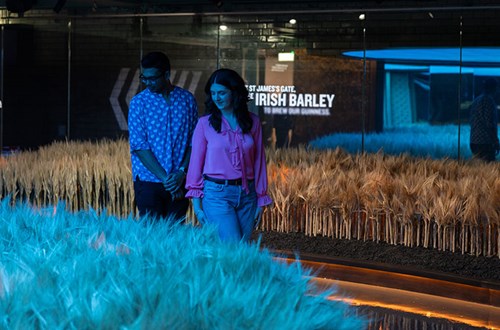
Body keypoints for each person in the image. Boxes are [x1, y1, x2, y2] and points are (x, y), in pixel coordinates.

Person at [185, 68, 272, 242]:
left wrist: (261, 199)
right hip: (217, 194)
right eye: (213, 93)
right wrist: (197, 204)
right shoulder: (204, 124)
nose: (217, 98)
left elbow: (259, 162)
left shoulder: (253, 122)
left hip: (248, 195)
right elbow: (196, 164)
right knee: (232, 246)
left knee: (241, 250)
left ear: (235, 93)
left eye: (222, 93)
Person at [128, 51, 198, 221]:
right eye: (143, 78)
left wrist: (181, 172)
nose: (147, 83)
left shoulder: (187, 100)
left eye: (152, 78)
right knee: (152, 237)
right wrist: (167, 180)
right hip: (148, 181)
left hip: (179, 181)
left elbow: (194, 142)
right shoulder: (139, 103)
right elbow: (139, 146)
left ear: (167, 74)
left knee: (176, 237)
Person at [469, 77, 500, 162]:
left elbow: (471, 120)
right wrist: (496, 141)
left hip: (474, 141)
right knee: (489, 167)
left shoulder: (476, 100)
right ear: (494, 88)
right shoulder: (488, 100)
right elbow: (489, 124)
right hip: (485, 142)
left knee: (479, 168)